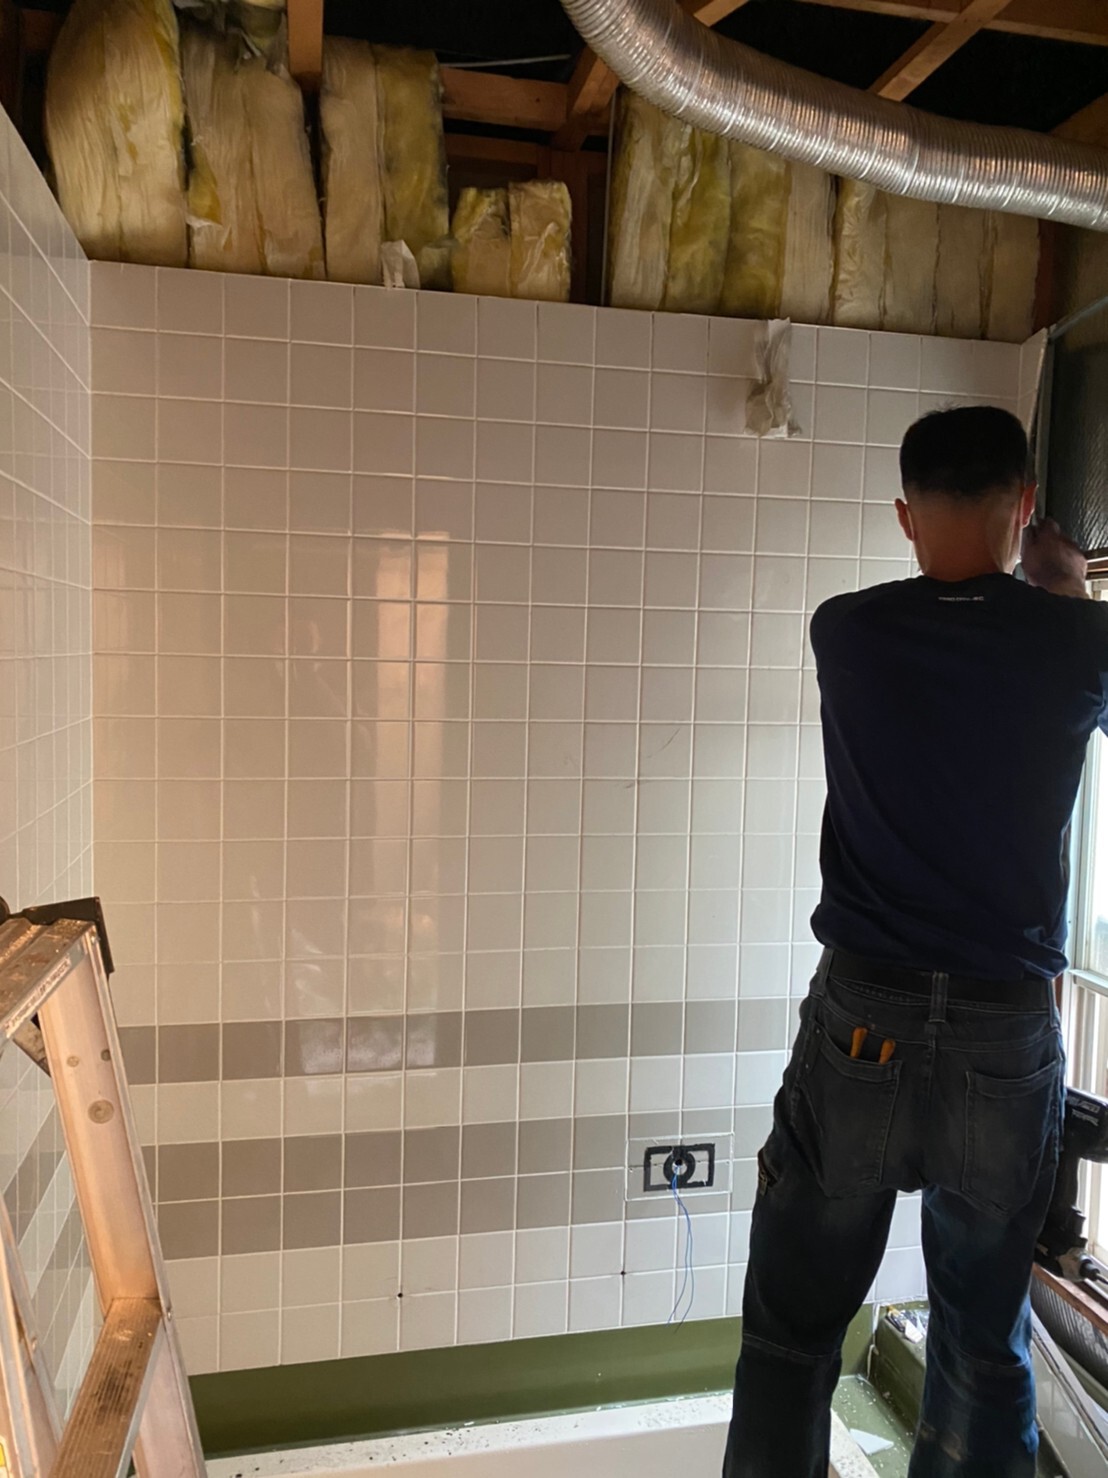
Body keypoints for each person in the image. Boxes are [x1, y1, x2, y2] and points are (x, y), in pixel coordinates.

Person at [723, 405, 1106, 1477]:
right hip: (1002, 1029)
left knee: (792, 1332)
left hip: (864, 1018)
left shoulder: (844, 631)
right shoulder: (1078, 641)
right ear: (1024, 504)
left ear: (905, 515)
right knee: (982, 1346)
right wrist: (1068, 593)